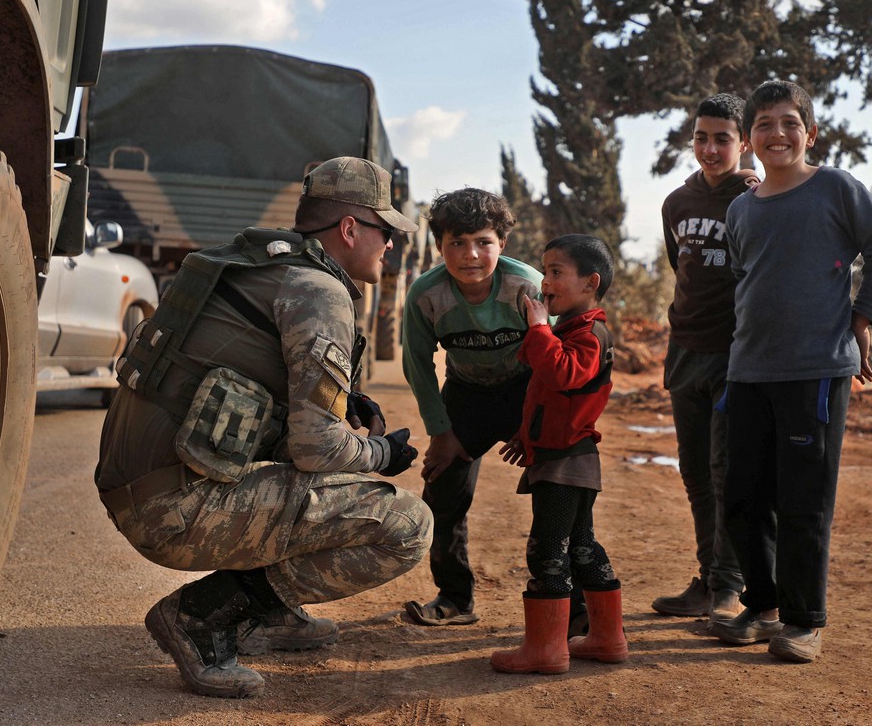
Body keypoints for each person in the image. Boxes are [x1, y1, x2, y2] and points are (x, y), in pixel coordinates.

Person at [95, 156, 433, 698]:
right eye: (385, 229)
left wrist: (342, 405)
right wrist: (379, 453)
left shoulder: (262, 265)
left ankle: (269, 616)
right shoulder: (319, 291)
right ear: (350, 229)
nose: (391, 242)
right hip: (170, 510)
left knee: (331, 485)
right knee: (405, 524)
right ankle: (201, 618)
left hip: (141, 486)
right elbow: (318, 446)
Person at [712, 80, 872, 663]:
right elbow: (747, 282)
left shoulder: (837, 189)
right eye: (765, 124)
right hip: (747, 370)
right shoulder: (740, 209)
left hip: (815, 371)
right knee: (741, 496)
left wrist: (863, 316)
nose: (777, 133)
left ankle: (803, 621)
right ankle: (765, 604)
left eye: (789, 122)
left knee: (803, 500)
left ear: (810, 132)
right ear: (749, 142)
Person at [400, 188, 549, 628]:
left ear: (502, 244)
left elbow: (554, 361)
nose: (470, 255)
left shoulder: (527, 286)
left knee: (558, 488)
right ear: (439, 246)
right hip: (467, 394)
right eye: (456, 244)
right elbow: (417, 366)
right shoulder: (426, 295)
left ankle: (562, 599)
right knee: (443, 490)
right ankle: (454, 596)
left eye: (483, 242)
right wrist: (442, 433)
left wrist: (533, 425)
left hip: (528, 390)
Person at [491, 234, 626, 674]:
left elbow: (565, 374)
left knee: (548, 550)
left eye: (555, 272)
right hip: (563, 457)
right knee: (581, 546)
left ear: (591, 282)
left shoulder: (591, 333)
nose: (544, 281)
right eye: (543, 270)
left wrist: (538, 329)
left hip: (568, 462)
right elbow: (548, 396)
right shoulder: (570, 330)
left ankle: (547, 649)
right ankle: (607, 638)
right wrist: (524, 436)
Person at [651, 94, 758, 624]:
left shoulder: (757, 198)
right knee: (694, 470)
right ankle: (708, 576)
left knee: (726, 471)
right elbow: (683, 269)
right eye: (701, 137)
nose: (710, 148)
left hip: (736, 355)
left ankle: (729, 586)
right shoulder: (676, 202)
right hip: (685, 350)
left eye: (722, 138)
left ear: (743, 144)